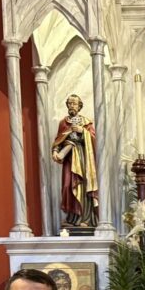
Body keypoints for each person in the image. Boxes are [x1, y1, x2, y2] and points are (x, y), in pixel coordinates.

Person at [51, 94, 99, 231]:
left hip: (83, 159)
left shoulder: (86, 122)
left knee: (83, 186)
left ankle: (85, 218)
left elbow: (95, 140)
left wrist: (83, 131)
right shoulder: (63, 123)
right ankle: (72, 218)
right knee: (67, 186)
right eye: (70, 103)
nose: (72, 106)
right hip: (69, 159)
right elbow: (58, 141)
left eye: (75, 104)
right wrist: (55, 151)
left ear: (79, 106)